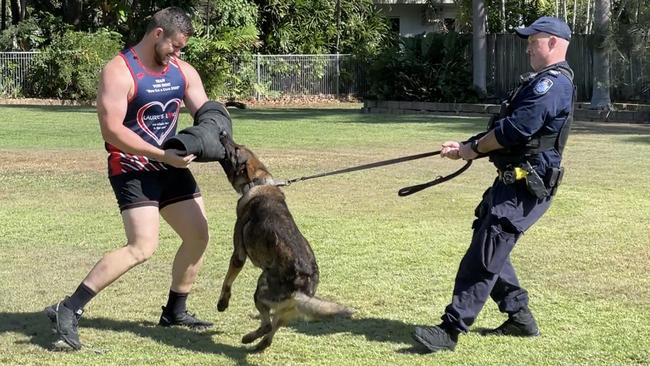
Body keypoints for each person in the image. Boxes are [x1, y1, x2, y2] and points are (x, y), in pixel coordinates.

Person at [45, 7, 218, 350]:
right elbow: (112, 131)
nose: (178, 54)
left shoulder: (182, 72)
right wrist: (161, 155)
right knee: (142, 246)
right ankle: (69, 307)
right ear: (157, 34)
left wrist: (216, 130)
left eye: (182, 49)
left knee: (198, 235)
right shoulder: (119, 72)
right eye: (175, 46)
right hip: (133, 168)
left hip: (171, 165)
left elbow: (205, 110)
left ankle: (175, 312)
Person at [412, 16, 576, 353]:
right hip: (514, 181)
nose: (528, 45)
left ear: (552, 43)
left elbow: (515, 131)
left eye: (534, 39)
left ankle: (450, 330)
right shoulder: (540, 82)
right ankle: (520, 318)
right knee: (488, 241)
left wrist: (472, 149)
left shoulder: (554, 84)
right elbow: (502, 128)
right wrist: (465, 147)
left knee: (485, 252)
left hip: (526, 186)